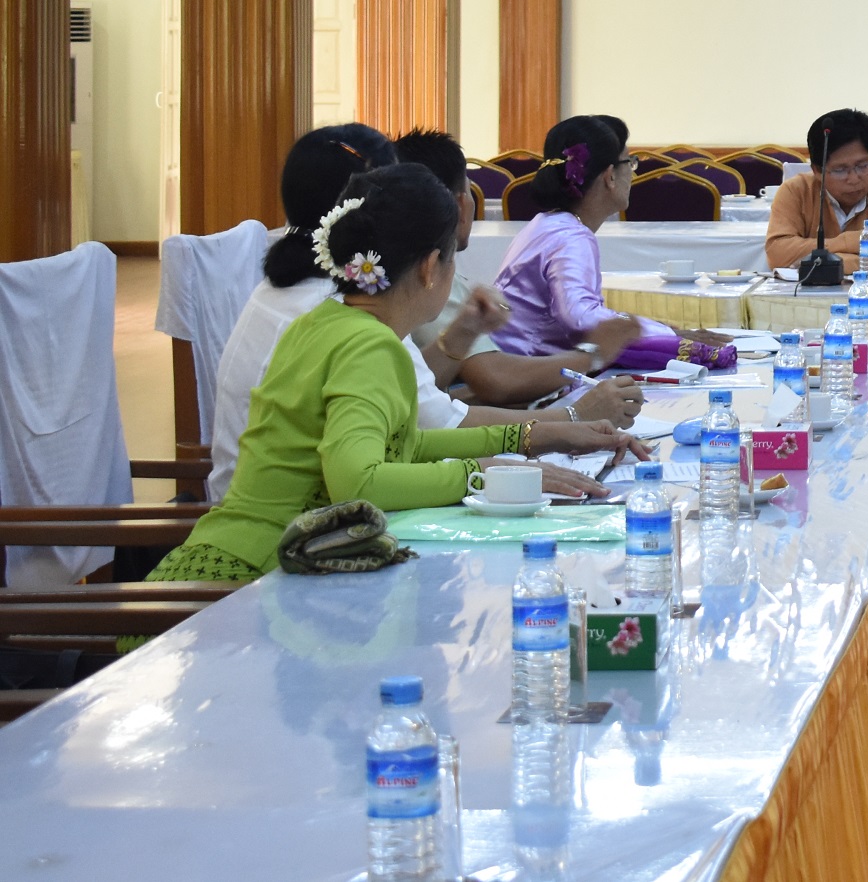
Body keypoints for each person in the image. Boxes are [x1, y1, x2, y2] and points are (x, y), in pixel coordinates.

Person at [151, 165, 644, 585]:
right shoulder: (370, 344)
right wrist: (483, 474)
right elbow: (360, 481)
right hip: (254, 578)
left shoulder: (324, 321)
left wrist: (537, 437)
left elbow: (405, 444)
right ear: (431, 267)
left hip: (245, 556)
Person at [390, 128, 646, 427]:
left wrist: (464, 340)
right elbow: (494, 380)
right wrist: (592, 359)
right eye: (629, 163)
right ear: (460, 204)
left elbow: (421, 392)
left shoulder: (547, 223)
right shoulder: (424, 277)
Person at [209, 124, 397, 502]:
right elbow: (431, 423)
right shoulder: (342, 308)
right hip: (287, 525)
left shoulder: (280, 291)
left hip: (267, 504)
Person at [493, 115, 728, 371]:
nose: (633, 173)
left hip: (514, 363)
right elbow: (580, 315)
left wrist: (659, 331)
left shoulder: (547, 223)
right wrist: (663, 334)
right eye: (630, 162)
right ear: (610, 176)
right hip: (524, 373)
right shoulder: (571, 236)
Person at [763, 108, 868, 273]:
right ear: (817, 170)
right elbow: (777, 254)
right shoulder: (795, 191)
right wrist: (853, 241)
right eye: (840, 170)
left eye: (863, 166)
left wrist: (825, 263)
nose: (853, 179)